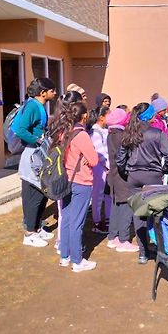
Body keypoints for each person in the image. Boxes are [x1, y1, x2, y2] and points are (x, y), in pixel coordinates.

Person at [116, 102, 168, 264]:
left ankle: (143, 253)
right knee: (156, 213)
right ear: (150, 116)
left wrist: (126, 172)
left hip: (134, 176)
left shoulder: (129, 133)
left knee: (139, 214)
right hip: (153, 176)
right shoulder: (157, 133)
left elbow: (120, 158)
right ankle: (160, 249)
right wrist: (164, 169)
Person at [51, 101, 99, 272]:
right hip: (81, 181)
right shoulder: (82, 135)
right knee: (77, 222)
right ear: (84, 116)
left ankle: (65, 256)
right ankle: (77, 261)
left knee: (67, 219)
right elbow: (94, 160)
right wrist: (88, 157)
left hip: (66, 180)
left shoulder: (63, 132)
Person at [15, 78, 56, 247]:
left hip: (39, 154)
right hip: (33, 155)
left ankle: (37, 228)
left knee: (41, 194)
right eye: (52, 90)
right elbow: (21, 130)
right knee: (33, 195)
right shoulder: (32, 105)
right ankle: (29, 233)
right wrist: (38, 141)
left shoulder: (39, 106)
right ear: (42, 92)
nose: (54, 93)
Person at [52, 90, 83, 253]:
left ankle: (63, 242)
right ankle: (63, 243)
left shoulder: (60, 122)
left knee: (64, 209)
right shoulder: (67, 125)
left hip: (64, 171)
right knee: (66, 211)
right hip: (67, 173)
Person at [106, 108, 139, 252]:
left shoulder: (110, 134)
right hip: (122, 175)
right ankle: (123, 239)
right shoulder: (122, 136)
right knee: (126, 206)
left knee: (116, 206)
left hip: (113, 175)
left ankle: (113, 236)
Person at [89, 106, 112, 234]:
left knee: (108, 194)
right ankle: (97, 222)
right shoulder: (95, 132)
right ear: (101, 117)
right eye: (109, 114)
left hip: (106, 168)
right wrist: (109, 166)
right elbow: (100, 153)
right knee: (98, 196)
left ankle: (108, 218)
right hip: (99, 168)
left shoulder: (105, 130)